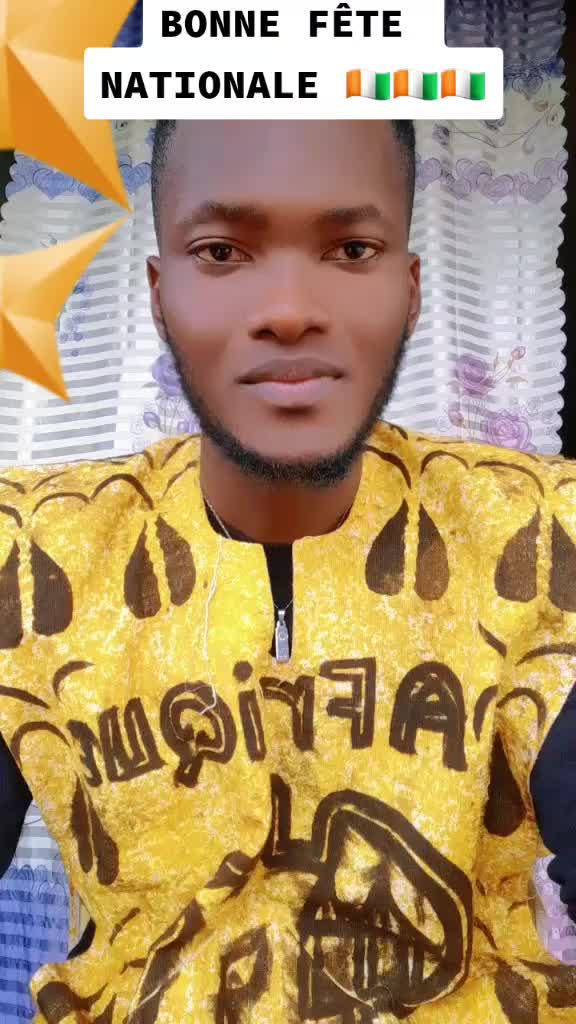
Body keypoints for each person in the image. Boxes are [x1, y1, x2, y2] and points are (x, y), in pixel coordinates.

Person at [0, 118, 575, 1023]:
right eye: (222, 251)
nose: (290, 309)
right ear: (159, 294)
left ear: (411, 290)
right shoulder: (34, 554)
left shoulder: (539, 533)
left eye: (351, 249)